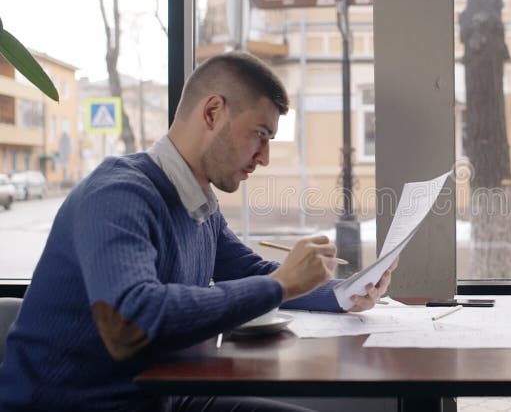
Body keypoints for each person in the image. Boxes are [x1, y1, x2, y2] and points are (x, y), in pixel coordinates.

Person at [0, 52, 396, 412]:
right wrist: (281, 284)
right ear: (212, 113)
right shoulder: (118, 193)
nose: (265, 157)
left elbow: (250, 271)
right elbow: (131, 320)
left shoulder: (198, 203)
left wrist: (344, 293)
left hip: (162, 398)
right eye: (260, 133)